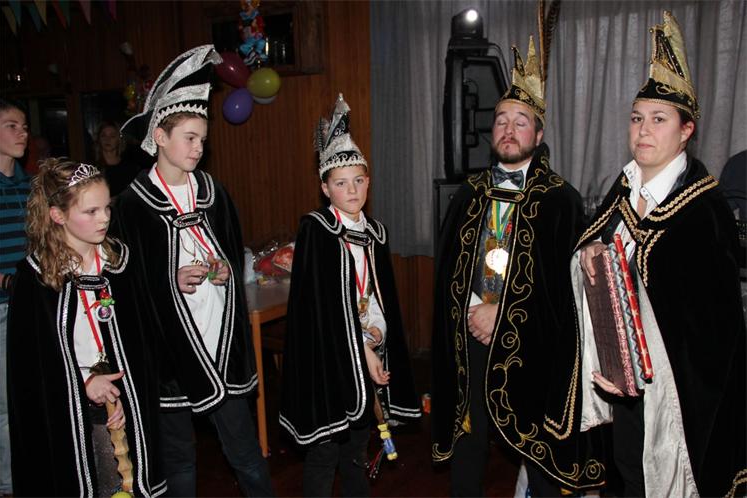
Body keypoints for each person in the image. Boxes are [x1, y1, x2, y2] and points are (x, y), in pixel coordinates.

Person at [574, 11, 746, 497]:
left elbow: (715, 331)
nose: (643, 131)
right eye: (637, 119)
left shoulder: (704, 209)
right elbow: (598, 253)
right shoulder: (622, 188)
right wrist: (589, 251)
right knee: (626, 473)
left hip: (678, 400)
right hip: (618, 384)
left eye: (658, 119)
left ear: (686, 130)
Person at [430, 33, 605, 495]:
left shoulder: (561, 201)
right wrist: (472, 310)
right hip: (470, 335)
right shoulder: (468, 195)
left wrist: (502, 311)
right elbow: (447, 274)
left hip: (532, 347)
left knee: (537, 446)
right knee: (469, 442)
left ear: (538, 136)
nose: (508, 130)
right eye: (501, 121)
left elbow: (563, 292)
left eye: (521, 122)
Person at [112, 45, 274, 497]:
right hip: (169, 357)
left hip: (219, 344)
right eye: (189, 138)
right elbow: (125, 288)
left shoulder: (213, 192)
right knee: (180, 461)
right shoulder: (131, 207)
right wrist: (170, 280)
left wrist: (223, 270)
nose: (199, 148)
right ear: (159, 137)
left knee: (246, 454)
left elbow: (231, 252)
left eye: (202, 139)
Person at [279, 94, 420, 497]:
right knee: (325, 452)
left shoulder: (375, 232)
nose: (352, 189)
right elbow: (320, 310)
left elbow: (377, 295)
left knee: (357, 447)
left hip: (365, 354)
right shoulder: (317, 230)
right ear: (325, 188)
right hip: (327, 363)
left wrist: (375, 332)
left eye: (358, 180)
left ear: (368, 182)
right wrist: (362, 349)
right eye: (341, 183)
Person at [7, 158, 164, 496]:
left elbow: (141, 340)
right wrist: (84, 382)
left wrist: (128, 391)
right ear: (57, 215)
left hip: (125, 397)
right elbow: (33, 370)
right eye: (91, 211)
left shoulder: (119, 262)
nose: (104, 218)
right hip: (72, 411)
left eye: (106, 207)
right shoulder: (36, 279)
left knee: (129, 484)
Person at [0, 98, 29, 497]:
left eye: (24, 126)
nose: (22, 132)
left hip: (30, 307)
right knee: (5, 404)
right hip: (1, 309)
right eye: (11, 125)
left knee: (29, 395)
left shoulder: (30, 185)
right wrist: (7, 282)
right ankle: (7, 485)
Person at [94, 121, 145, 197]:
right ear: (99, 139)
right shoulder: (93, 169)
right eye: (103, 136)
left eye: (112, 136)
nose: (107, 139)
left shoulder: (130, 168)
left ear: (119, 139)